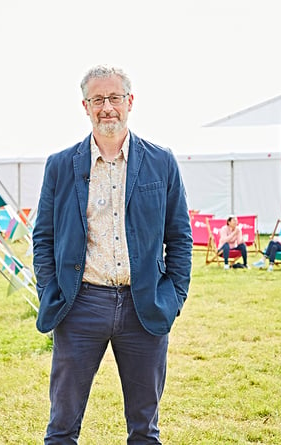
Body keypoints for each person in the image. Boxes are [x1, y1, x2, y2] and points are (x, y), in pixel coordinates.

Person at [32, 65, 193, 444]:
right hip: (80, 305)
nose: (107, 107)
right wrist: (50, 291)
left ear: (130, 102)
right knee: (62, 427)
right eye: (98, 99)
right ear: (85, 106)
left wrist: (172, 297)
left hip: (144, 308)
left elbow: (180, 237)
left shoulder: (161, 161)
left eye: (114, 98)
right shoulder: (61, 165)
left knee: (144, 428)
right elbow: (43, 236)